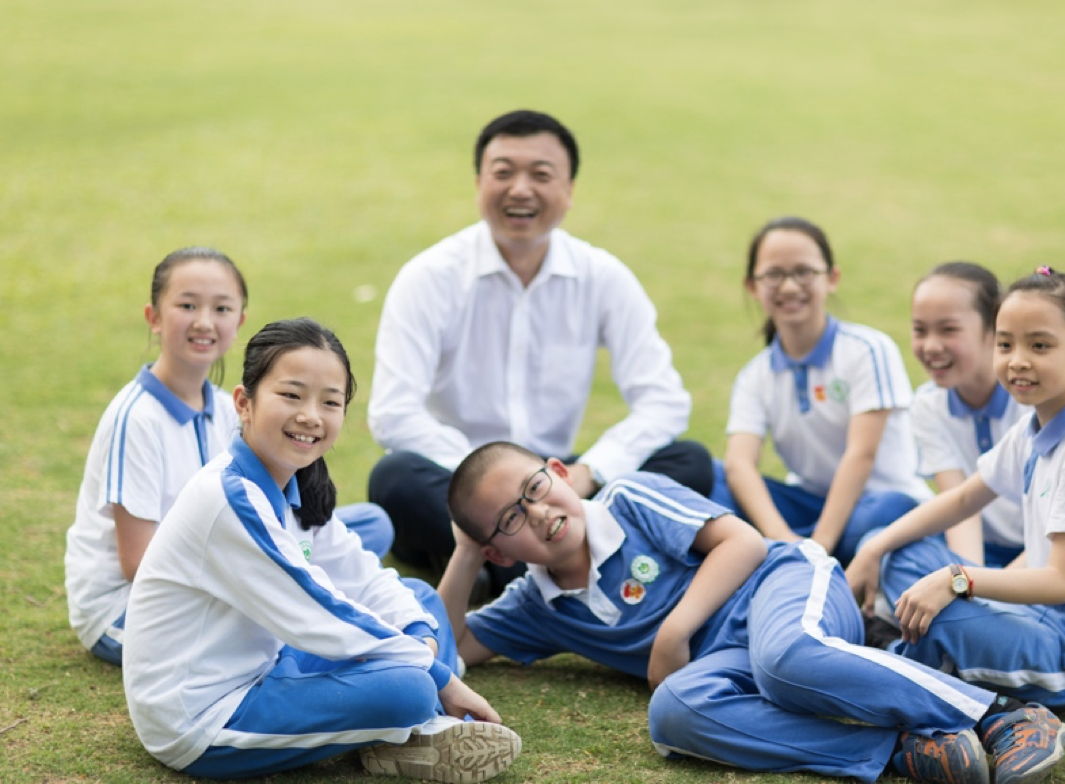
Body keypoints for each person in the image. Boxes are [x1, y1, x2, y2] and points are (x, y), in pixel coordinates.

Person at [438, 440, 1065, 784]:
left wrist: (674, 631)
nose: (539, 514)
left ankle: (1002, 716)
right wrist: (465, 554)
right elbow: (451, 649)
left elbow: (741, 542)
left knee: (784, 657)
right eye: (510, 519)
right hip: (729, 662)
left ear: (558, 472)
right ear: (499, 552)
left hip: (782, 582)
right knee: (672, 712)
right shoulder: (536, 604)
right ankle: (904, 751)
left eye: (536, 489)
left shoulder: (628, 499)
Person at [123, 318, 521, 781]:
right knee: (410, 688)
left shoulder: (296, 483)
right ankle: (421, 723)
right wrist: (436, 673)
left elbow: (361, 578)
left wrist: (418, 639)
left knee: (419, 600)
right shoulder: (229, 498)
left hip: (271, 662)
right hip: (204, 714)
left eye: (330, 402)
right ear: (244, 402)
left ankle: (413, 732)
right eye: (291, 395)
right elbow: (317, 613)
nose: (311, 415)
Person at [367, 109, 712, 594]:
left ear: (569, 189)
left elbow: (664, 402)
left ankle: (502, 568)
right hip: (461, 473)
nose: (520, 190)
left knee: (688, 462)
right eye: (503, 173)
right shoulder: (428, 278)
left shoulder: (603, 277)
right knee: (395, 478)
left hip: (560, 479)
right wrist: (489, 480)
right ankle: (581, 562)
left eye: (541, 175)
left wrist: (589, 472)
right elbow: (393, 413)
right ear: (478, 183)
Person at [64, 248, 391, 666]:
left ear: (238, 322)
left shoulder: (227, 406)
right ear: (154, 317)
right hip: (136, 606)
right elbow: (136, 563)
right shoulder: (136, 418)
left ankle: (306, 599)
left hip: (224, 563)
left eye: (221, 308)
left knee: (369, 525)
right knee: (287, 622)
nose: (204, 322)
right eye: (187, 305)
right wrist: (256, 581)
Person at [846, 267, 1065, 711]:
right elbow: (962, 499)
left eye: (1040, 346)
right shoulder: (1034, 426)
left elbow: (1059, 582)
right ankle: (907, 639)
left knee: (943, 615)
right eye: (1006, 344)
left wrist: (957, 580)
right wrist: (875, 548)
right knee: (901, 553)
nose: (1018, 361)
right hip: (1034, 615)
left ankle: (890, 656)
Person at [709, 217, 931, 565]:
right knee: (712, 479)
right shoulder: (754, 376)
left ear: (832, 278)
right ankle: (781, 551)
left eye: (804, 272)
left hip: (873, 504)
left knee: (880, 514)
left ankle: (795, 558)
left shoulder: (868, 350)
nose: (789, 287)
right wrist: (784, 538)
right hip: (808, 504)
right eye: (773, 275)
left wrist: (820, 544)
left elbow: (861, 454)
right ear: (752, 285)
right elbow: (740, 464)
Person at [910, 261, 1032, 567]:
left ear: (994, 328)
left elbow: (1060, 532)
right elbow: (960, 507)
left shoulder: (1034, 401)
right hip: (983, 552)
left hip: (1046, 552)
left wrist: (993, 586)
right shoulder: (927, 404)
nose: (931, 346)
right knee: (889, 547)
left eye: (948, 330)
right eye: (920, 330)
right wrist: (969, 582)